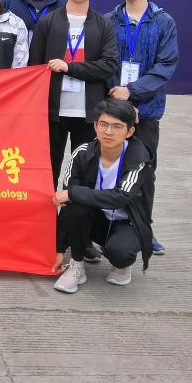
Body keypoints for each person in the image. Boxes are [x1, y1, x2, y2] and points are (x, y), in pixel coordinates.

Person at [107, 0, 179, 255]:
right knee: (109, 170)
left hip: (146, 112)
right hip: (113, 112)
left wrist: (133, 94)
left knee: (144, 172)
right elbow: (105, 62)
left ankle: (144, 230)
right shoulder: (109, 20)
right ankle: (105, 230)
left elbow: (165, 66)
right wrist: (119, 99)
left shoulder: (163, 22)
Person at [30, 0, 118, 192]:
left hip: (89, 114)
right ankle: (47, 215)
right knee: (46, 174)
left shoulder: (104, 25)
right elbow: (34, 67)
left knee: (84, 176)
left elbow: (109, 66)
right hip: (52, 115)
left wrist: (69, 67)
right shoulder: (48, 23)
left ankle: (76, 216)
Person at [52, 99, 155, 293]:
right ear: (95, 126)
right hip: (95, 219)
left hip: (127, 222)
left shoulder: (138, 156)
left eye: (117, 126)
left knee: (121, 254)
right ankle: (77, 266)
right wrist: (59, 248)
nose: (108, 132)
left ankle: (122, 265)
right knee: (75, 204)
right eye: (104, 124)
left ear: (129, 131)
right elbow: (67, 204)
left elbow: (121, 196)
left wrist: (74, 193)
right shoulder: (82, 153)